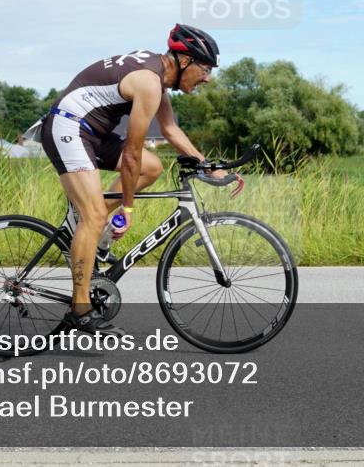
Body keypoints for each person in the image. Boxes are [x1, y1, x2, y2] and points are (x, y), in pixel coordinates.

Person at [36, 24, 234, 336]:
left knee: (152, 167)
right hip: (68, 127)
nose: (208, 77)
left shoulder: (159, 78)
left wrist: (206, 164)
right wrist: (126, 210)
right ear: (184, 62)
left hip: (91, 132)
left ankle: (95, 231)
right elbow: (131, 154)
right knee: (96, 213)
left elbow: (169, 130)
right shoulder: (149, 82)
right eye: (205, 68)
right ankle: (80, 308)